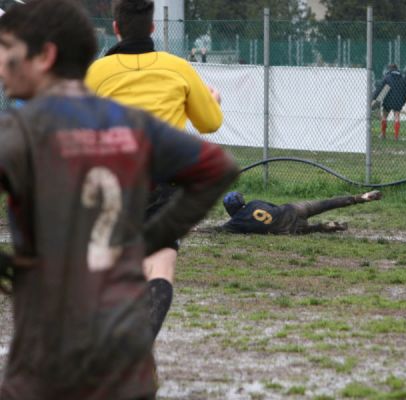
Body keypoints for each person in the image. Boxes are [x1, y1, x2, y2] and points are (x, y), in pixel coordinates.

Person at [0, 1, 238, 399]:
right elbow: (216, 160)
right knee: (154, 273)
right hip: (156, 190)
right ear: (154, 25)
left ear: (47, 57)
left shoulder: (35, 131)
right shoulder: (137, 124)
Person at [86, 0, 223, 339]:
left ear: (116, 28)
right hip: (165, 183)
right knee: (159, 268)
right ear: (153, 28)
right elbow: (210, 124)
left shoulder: (95, 73)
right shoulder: (179, 68)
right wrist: (214, 99)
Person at [221, 190, 382, 234]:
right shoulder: (254, 203)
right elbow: (272, 206)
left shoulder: (237, 223)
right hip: (292, 209)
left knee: (307, 230)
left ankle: (326, 226)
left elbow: (218, 230)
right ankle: (361, 197)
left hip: (287, 229)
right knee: (326, 203)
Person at [372, 64, 406, 140]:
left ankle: (383, 134)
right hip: (398, 101)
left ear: (390, 69)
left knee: (384, 116)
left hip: (388, 100)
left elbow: (380, 89)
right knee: (397, 117)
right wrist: (403, 101)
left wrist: (373, 98)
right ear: (397, 69)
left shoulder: (387, 78)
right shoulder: (402, 78)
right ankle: (396, 136)